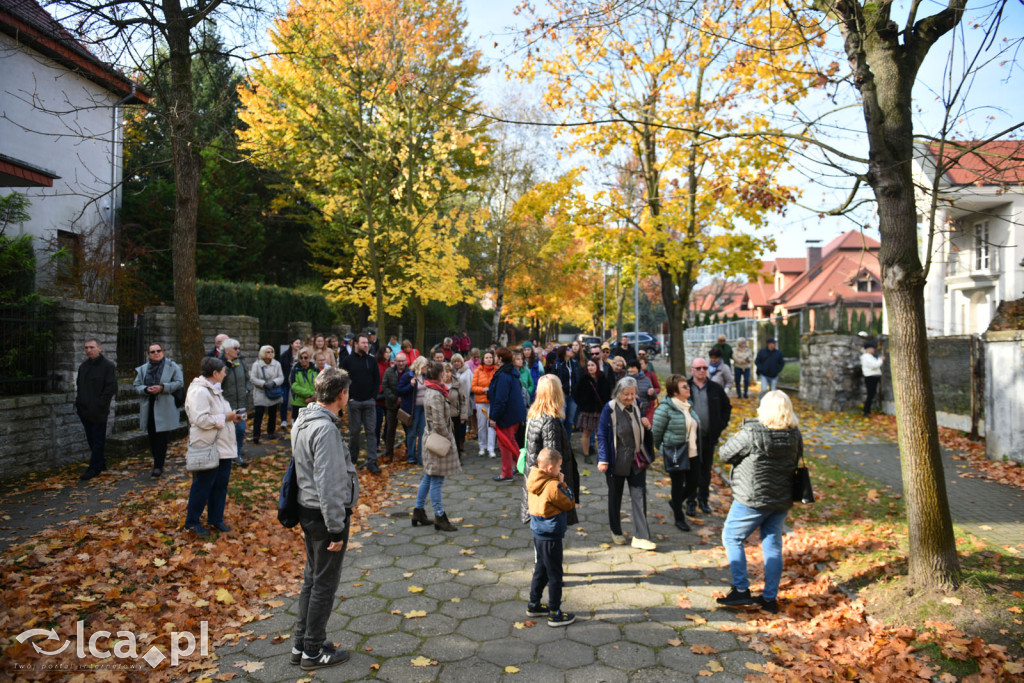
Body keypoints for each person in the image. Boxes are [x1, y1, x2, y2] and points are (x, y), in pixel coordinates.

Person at [290, 367, 358, 671]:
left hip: (307, 510)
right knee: (323, 585)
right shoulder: (325, 429)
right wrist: (336, 529)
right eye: (347, 391)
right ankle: (313, 652)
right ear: (340, 394)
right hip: (323, 515)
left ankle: (301, 643)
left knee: (311, 580)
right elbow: (329, 483)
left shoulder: (304, 420)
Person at [717, 391, 803, 615]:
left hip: (752, 498)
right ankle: (769, 598)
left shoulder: (751, 432)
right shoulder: (794, 434)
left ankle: (741, 588)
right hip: (780, 499)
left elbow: (725, 454)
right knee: (773, 544)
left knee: (731, 536)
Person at [184, 357, 243, 536]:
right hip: (208, 447)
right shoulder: (199, 391)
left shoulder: (214, 390)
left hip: (223, 447)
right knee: (203, 485)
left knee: (220, 485)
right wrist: (226, 417)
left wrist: (233, 417)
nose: (226, 374)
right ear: (215, 373)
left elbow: (217, 414)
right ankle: (192, 522)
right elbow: (200, 419)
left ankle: (216, 519)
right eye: (223, 371)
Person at [597, 376, 657, 551]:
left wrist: (646, 425)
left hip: (636, 459)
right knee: (615, 497)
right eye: (626, 394)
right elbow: (602, 435)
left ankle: (641, 536)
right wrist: (603, 459)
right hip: (616, 461)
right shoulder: (609, 409)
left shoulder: (638, 405)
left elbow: (641, 425)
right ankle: (616, 531)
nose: (630, 397)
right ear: (618, 393)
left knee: (639, 497)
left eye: (633, 393)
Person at [526, 448, 577, 627]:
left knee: (540, 568)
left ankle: (534, 603)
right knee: (555, 573)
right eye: (559, 468)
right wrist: (563, 484)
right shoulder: (553, 486)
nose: (560, 471)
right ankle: (554, 612)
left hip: (538, 533)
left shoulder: (533, 479)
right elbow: (569, 502)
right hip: (551, 535)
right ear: (549, 468)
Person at [521, 375, 580, 528]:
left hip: (536, 480)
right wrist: (561, 486)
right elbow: (552, 462)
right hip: (548, 493)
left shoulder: (534, 415)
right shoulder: (550, 422)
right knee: (549, 537)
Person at [411, 361, 462, 532]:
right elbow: (439, 423)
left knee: (430, 476)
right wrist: (448, 440)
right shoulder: (435, 393)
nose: (448, 374)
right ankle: (439, 516)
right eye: (445, 373)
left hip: (432, 438)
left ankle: (418, 511)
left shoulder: (433, 390)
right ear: (440, 375)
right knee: (437, 479)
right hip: (437, 441)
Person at [652, 375, 701, 532]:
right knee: (677, 485)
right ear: (674, 391)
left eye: (687, 385)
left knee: (695, 481)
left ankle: (676, 502)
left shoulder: (688, 405)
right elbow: (656, 433)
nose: (688, 388)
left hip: (692, 451)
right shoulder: (665, 408)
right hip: (675, 451)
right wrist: (663, 451)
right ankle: (679, 517)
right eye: (684, 387)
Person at [687, 357, 732, 516]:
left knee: (706, 470)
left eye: (704, 368)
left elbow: (727, 408)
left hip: (708, 437)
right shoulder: (684, 388)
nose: (701, 371)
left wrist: (720, 426)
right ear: (692, 369)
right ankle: (690, 502)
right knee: (691, 471)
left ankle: (703, 500)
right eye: (698, 368)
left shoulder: (715, 388)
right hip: (689, 439)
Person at [133, 342, 184, 477]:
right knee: (152, 436)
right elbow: (136, 385)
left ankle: (158, 465)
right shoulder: (143, 369)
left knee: (162, 437)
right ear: (148, 354)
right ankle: (157, 460)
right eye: (152, 352)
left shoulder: (172, 366)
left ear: (163, 352)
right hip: (149, 405)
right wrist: (145, 389)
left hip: (165, 406)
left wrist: (163, 388)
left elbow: (179, 383)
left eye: (158, 350)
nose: (156, 353)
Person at [75, 338, 118, 480]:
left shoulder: (108, 366)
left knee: (98, 439)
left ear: (99, 348)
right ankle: (100, 462)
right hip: (84, 410)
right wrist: (79, 404)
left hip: (99, 410)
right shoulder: (83, 367)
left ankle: (94, 468)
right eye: (86, 348)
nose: (88, 350)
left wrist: (100, 405)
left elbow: (111, 388)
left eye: (91, 347)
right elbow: (80, 386)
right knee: (91, 439)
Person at [342, 333, 382, 473]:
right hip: (354, 403)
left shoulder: (371, 361)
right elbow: (343, 380)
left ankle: (372, 461)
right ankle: (352, 459)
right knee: (354, 432)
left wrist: (373, 397)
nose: (366, 345)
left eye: (367, 343)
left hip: (369, 402)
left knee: (371, 432)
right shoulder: (347, 361)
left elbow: (377, 379)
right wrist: (349, 397)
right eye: (363, 343)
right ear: (356, 344)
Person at [487, 347, 527, 481]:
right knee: (510, 441)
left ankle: (507, 473)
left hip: (507, 415)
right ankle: (522, 467)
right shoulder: (509, 372)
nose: (493, 358)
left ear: (500, 359)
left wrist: (494, 417)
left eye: (495, 356)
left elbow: (501, 399)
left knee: (505, 444)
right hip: (513, 414)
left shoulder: (504, 375)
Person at [221, 339, 251, 467]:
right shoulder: (219, 363)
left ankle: (237, 455)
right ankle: (226, 456)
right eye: (235, 348)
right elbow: (218, 382)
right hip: (227, 404)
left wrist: (248, 389)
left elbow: (247, 378)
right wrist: (227, 367)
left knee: (240, 430)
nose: (238, 351)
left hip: (241, 404)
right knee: (227, 432)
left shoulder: (241, 362)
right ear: (227, 350)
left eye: (239, 348)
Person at [574, 358, 610, 464]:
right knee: (586, 433)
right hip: (587, 411)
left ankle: (601, 455)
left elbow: (608, 393)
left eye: (592, 365)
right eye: (588, 365)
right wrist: (583, 405)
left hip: (600, 411)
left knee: (601, 434)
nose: (590, 367)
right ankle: (586, 454)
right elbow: (576, 394)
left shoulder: (603, 378)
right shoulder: (584, 378)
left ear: (597, 366)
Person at [250, 345, 284, 444]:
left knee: (273, 414)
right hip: (261, 391)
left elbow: (281, 377)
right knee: (259, 414)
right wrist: (263, 384)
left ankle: (271, 432)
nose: (270, 354)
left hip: (273, 391)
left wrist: (274, 382)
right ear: (263, 353)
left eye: (272, 352)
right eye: (268, 352)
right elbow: (253, 378)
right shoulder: (257, 365)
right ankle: (256, 434)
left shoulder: (277, 364)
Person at [399, 357, 428, 465]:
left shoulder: (426, 376)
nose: (426, 368)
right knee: (411, 433)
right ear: (419, 366)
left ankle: (421, 457)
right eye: (424, 366)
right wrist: (410, 386)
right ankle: (411, 456)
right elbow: (399, 390)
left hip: (424, 408)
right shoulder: (408, 376)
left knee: (422, 432)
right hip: (413, 408)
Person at [471, 349, 498, 458]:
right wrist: (483, 390)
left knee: (492, 425)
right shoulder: (478, 371)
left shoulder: (497, 370)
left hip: (493, 401)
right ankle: (482, 446)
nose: (488, 359)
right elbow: (473, 387)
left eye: (490, 357)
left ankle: (491, 448)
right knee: (482, 425)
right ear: (483, 359)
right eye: (486, 357)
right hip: (481, 402)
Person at [381, 351, 406, 461]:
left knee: (408, 430)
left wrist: (402, 399)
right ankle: (389, 453)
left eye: (403, 361)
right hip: (391, 406)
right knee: (390, 430)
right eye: (399, 361)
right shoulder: (389, 372)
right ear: (395, 361)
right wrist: (394, 399)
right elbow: (385, 387)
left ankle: (409, 452)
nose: (401, 363)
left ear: (406, 361)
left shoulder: (410, 372)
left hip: (405, 406)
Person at [555, 345, 580, 437]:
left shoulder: (574, 363)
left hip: (572, 396)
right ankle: (559, 443)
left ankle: (567, 443)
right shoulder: (558, 364)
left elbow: (576, 378)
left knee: (570, 421)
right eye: (568, 349)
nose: (571, 350)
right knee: (561, 420)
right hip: (562, 395)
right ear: (563, 352)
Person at [449, 354, 472, 457]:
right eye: (454, 362)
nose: (456, 363)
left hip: (464, 399)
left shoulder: (467, 372)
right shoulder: (452, 372)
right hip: (454, 402)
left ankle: (461, 442)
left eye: (458, 361)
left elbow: (468, 386)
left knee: (462, 423)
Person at [289, 348, 318, 422]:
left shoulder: (315, 369)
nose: (303, 360)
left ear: (310, 358)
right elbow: (294, 386)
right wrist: (310, 394)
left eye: (305, 357)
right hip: (298, 402)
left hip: (313, 402)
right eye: (301, 358)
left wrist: (313, 398)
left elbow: (320, 384)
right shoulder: (295, 369)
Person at [280, 338, 302, 428]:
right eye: (296, 343)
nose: (298, 345)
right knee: (284, 400)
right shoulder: (285, 355)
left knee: (295, 401)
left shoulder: (302, 355)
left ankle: (294, 418)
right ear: (291, 344)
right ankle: (284, 420)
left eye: (299, 343)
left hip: (297, 381)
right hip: (285, 381)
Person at [860, 343, 885, 416]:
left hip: (873, 377)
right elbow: (875, 365)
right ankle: (866, 411)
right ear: (869, 349)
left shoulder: (869, 357)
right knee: (870, 394)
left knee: (871, 394)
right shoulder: (866, 357)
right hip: (871, 377)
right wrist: (881, 360)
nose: (874, 350)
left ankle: (867, 410)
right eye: (873, 348)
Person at [374, 346, 392, 449]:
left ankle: (386, 439)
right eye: (386, 352)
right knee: (378, 423)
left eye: (389, 352)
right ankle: (375, 444)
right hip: (378, 398)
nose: (388, 354)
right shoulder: (376, 365)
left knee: (389, 422)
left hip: (388, 398)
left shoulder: (391, 365)